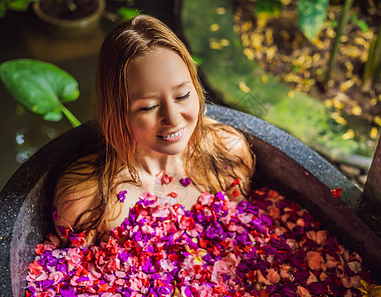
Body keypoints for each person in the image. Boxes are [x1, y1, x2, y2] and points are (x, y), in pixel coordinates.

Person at [53, 15, 255, 246]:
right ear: (115, 112)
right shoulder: (85, 203)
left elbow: (241, 231)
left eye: (183, 95)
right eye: (149, 106)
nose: (172, 118)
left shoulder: (227, 157)